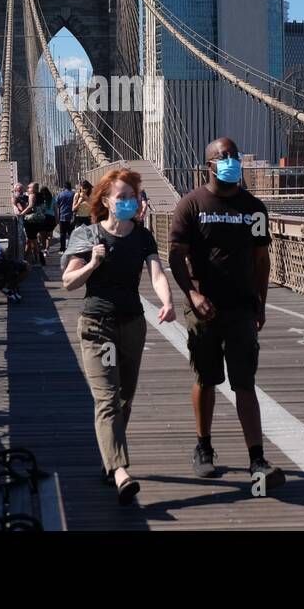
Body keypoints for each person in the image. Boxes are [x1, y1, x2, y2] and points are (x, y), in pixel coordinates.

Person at [168, 137, 285, 491]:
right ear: (209, 164)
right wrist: (191, 293)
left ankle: (257, 458)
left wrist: (260, 303)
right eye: (223, 157)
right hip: (203, 308)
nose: (231, 161)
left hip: (241, 309)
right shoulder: (191, 205)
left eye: (234, 155)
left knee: (245, 383)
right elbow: (175, 255)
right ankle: (203, 448)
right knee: (206, 379)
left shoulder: (254, 208)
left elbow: (261, 259)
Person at [62, 168, 175, 503]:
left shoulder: (142, 236)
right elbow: (69, 282)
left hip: (132, 326)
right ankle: (121, 470)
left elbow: (155, 272)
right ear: (107, 201)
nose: (129, 202)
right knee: (107, 398)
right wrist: (93, 263)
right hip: (99, 326)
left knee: (125, 396)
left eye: (133, 197)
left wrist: (167, 301)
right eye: (122, 197)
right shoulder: (87, 234)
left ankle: (108, 459)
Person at [21, 182, 45, 265]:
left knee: (33, 240)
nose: (27, 189)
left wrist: (22, 214)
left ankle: (38, 258)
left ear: (34, 189)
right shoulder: (40, 195)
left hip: (31, 221)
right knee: (30, 240)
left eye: (29, 187)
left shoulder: (32, 195)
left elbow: (30, 206)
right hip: (39, 220)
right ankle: (27, 258)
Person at [54, 181, 76, 251]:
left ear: (64, 187)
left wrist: (57, 216)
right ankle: (71, 247)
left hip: (62, 216)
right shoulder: (73, 194)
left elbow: (56, 205)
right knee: (71, 233)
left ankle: (62, 248)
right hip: (71, 217)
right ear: (70, 187)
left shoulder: (60, 194)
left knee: (62, 234)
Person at [38, 185, 58, 256]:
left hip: (42, 218)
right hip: (51, 218)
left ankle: (44, 249)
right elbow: (55, 210)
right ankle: (47, 249)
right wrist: (57, 220)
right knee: (49, 235)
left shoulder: (40, 200)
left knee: (42, 236)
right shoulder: (52, 199)